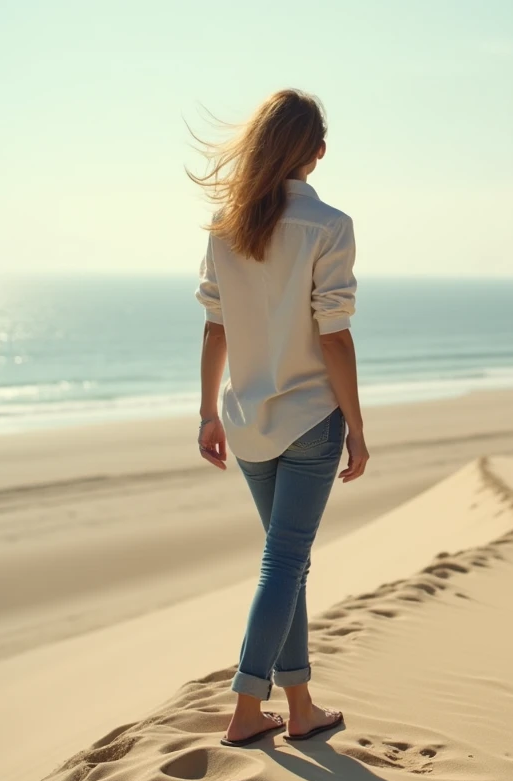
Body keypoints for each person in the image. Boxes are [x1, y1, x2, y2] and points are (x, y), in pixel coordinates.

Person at [191, 89, 369, 747]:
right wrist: (357, 426)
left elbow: (215, 330)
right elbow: (334, 338)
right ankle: (245, 707)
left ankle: (299, 708)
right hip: (310, 420)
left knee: (286, 562)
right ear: (315, 154)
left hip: (248, 423)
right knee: (285, 562)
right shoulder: (330, 225)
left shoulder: (225, 226)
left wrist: (208, 413)